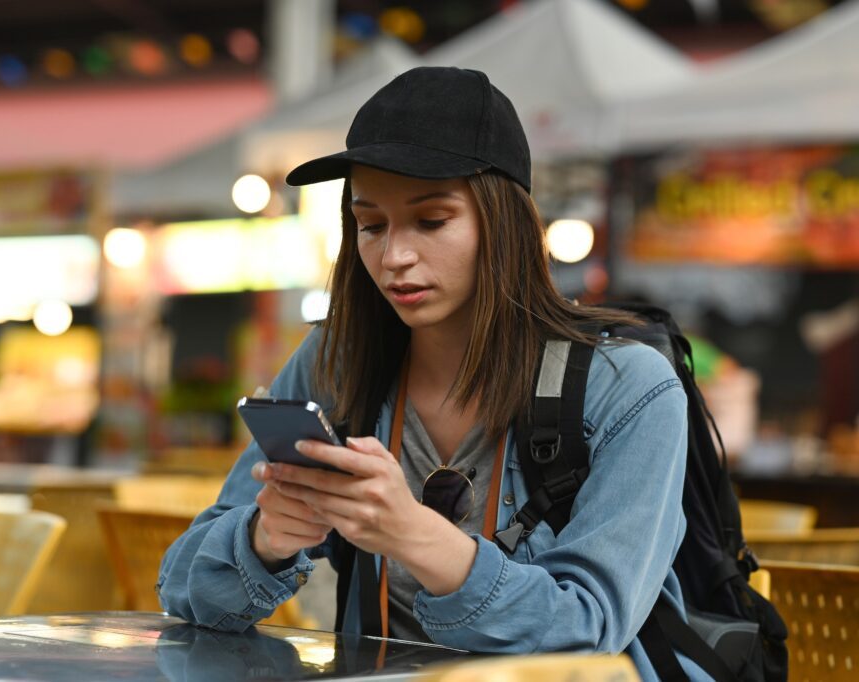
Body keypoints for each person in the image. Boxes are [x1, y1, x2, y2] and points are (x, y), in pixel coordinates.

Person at [158, 66, 705, 681]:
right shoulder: (336, 362)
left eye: (432, 221)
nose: (394, 257)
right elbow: (180, 589)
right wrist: (266, 539)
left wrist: (414, 534)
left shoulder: (630, 387)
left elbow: (589, 630)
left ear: (505, 225)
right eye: (371, 225)